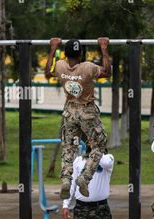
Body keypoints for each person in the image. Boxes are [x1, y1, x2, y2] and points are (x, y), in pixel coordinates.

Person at [45, 38, 111, 199]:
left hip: (70, 112)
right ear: (81, 53)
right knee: (99, 144)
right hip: (87, 112)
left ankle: (66, 181)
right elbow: (107, 72)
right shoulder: (88, 67)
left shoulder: (60, 65)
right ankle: (84, 178)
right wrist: (103, 48)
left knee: (69, 147)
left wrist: (53, 48)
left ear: (65, 54)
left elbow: (47, 72)